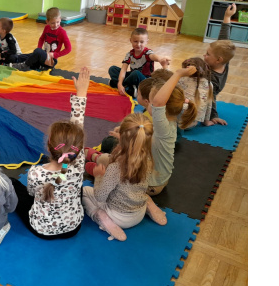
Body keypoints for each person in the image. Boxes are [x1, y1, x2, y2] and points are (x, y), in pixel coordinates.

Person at [14, 67, 90, 239]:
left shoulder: (36, 172)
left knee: (13, 185)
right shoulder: (78, 163)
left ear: (48, 147)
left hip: (42, 230)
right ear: (77, 149)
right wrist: (82, 93)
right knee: (75, 186)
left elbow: (32, 194)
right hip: (74, 227)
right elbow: (77, 128)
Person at [81, 113, 167, 241]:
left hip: (118, 218)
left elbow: (100, 196)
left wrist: (99, 177)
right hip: (139, 213)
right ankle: (149, 204)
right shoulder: (148, 161)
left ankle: (101, 217)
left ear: (121, 138)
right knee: (137, 191)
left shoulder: (115, 168)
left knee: (84, 192)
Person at [146, 66, 198, 195]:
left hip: (152, 184)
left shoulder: (162, 128)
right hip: (159, 179)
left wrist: (178, 74)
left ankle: (147, 202)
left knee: (110, 166)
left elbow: (158, 103)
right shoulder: (174, 116)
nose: (148, 104)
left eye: (150, 102)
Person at [108, 28, 171, 97]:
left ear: (146, 42)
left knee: (136, 73)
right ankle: (126, 87)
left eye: (141, 42)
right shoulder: (129, 54)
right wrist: (120, 84)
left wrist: (160, 59)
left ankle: (120, 85)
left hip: (145, 80)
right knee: (112, 69)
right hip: (133, 77)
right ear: (130, 40)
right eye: (135, 41)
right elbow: (123, 69)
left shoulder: (147, 52)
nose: (138, 44)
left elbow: (153, 56)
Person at [202, 3, 236, 126]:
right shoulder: (224, 61)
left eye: (208, 54)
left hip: (205, 94)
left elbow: (211, 98)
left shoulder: (212, 77)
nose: (204, 55)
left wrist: (213, 116)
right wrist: (227, 16)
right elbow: (224, 38)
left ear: (218, 60)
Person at [10, 7, 72, 71]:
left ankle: (25, 66)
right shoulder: (47, 27)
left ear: (60, 19)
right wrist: (39, 48)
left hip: (51, 60)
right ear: (47, 21)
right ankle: (13, 61)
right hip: (43, 55)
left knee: (36, 53)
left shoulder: (62, 32)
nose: (56, 25)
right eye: (53, 23)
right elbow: (41, 38)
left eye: (58, 22)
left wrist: (54, 55)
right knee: (24, 56)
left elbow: (68, 48)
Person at [177, 57, 214, 129]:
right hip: (191, 124)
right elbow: (209, 105)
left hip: (175, 121)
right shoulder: (209, 84)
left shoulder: (181, 79)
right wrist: (206, 121)